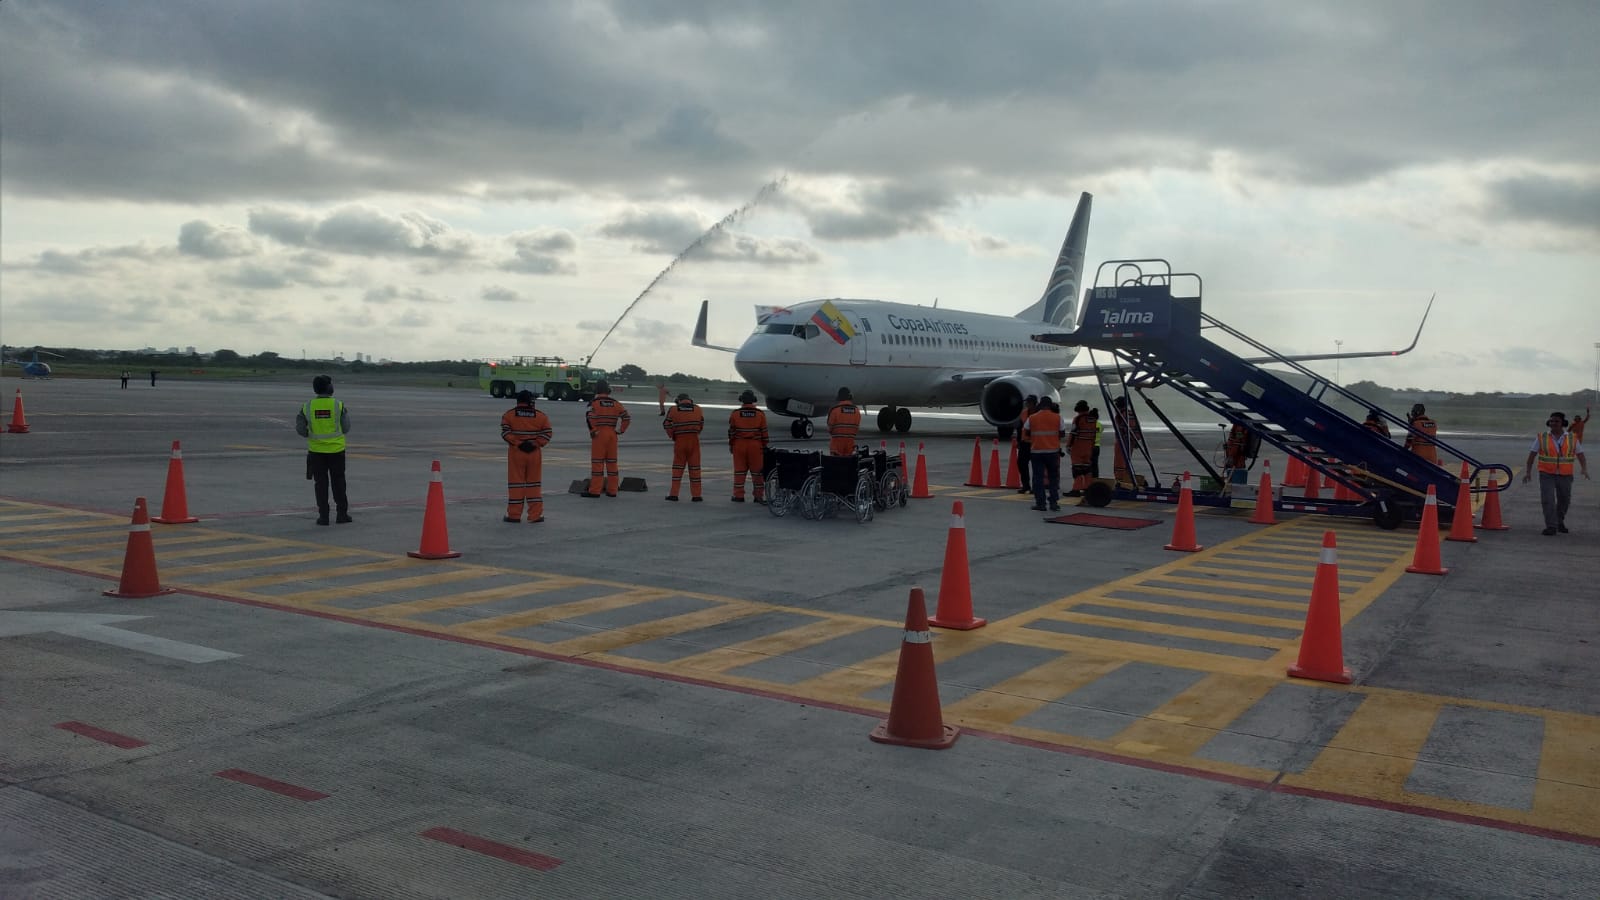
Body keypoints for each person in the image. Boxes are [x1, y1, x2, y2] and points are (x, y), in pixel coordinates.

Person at [295, 374, 351, 526]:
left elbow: (300, 429)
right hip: (336, 450)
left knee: (320, 484)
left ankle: (324, 516)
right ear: (329, 387)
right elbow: (346, 428)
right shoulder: (338, 405)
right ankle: (342, 514)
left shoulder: (307, 406)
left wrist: (310, 434)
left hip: (316, 451)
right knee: (338, 482)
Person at [1523, 412, 1588, 536]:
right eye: (1551, 421)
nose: (1553, 423)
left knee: (1564, 500)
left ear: (1563, 423)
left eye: (1556, 421)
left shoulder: (1572, 438)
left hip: (1565, 474)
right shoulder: (1542, 437)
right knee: (1548, 500)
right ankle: (1551, 526)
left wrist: (1584, 469)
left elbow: (1581, 456)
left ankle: (1559, 521)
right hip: (1546, 474)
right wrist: (1528, 472)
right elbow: (1532, 455)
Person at [499, 390, 552, 523]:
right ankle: (535, 515)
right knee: (534, 484)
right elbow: (547, 433)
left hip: (516, 453)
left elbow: (505, 433)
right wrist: (535, 443)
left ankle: (514, 515)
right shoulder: (541, 416)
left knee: (516, 484)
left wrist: (519, 443)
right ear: (530, 401)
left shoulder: (509, 415)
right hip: (534, 453)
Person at [582, 380, 630, 497]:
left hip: (600, 434)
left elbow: (589, 417)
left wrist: (593, 431)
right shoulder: (615, 403)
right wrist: (620, 430)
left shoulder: (594, 403)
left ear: (597, 389)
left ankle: (595, 491)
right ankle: (612, 490)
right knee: (612, 463)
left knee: (598, 463)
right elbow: (626, 417)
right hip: (612, 435)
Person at [662, 392, 705, 502]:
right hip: (694, 440)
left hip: (680, 440)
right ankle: (696, 495)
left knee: (677, 469)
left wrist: (673, 435)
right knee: (695, 469)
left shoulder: (674, 409)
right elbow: (701, 424)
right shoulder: (698, 409)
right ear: (690, 400)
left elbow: (666, 424)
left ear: (679, 401)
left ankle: (674, 494)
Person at [728, 389, 769, 503]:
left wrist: (731, 445)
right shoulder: (760, 414)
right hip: (756, 446)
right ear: (753, 401)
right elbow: (764, 433)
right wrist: (764, 445)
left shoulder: (735, 414)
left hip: (739, 445)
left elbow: (732, 432)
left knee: (739, 472)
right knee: (757, 472)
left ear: (742, 401)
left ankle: (738, 495)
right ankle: (758, 496)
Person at [1024, 397, 1065, 512]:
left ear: (1040, 405)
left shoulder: (1032, 418)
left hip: (1037, 452)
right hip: (1052, 452)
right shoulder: (1057, 417)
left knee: (1038, 479)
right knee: (1053, 479)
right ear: (1050, 405)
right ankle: (1053, 503)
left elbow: (1026, 430)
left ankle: (1040, 504)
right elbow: (1062, 433)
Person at [1111, 395, 1144, 486]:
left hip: (1123, 441)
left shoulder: (1122, 414)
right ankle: (1124, 480)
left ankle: (1120, 481)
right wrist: (1135, 440)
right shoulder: (1129, 413)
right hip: (1129, 441)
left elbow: (1126, 428)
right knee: (1126, 462)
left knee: (1120, 462)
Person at [1066, 400, 1094, 497]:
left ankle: (1076, 489)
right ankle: (1087, 488)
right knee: (1087, 469)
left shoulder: (1078, 419)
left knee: (1077, 469)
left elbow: (1073, 433)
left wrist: (1068, 445)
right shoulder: (1092, 419)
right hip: (1088, 447)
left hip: (1078, 447)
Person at [826, 387, 861, 456]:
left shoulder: (834, 410)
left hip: (837, 444)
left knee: (836, 464)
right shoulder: (856, 411)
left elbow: (829, 428)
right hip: (850, 443)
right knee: (848, 464)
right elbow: (857, 428)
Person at [1014, 396, 1037, 494]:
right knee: (1021, 464)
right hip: (1025, 443)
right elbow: (1019, 429)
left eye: (1028, 402)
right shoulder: (1024, 413)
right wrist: (1019, 441)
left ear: (1033, 403)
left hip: (1036, 444)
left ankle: (1036, 487)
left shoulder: (1038, 414)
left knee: (1037, 467)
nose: (1027, 404)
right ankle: (1026, 486)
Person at [1090, 408, 1103, 479]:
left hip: (1089, 446)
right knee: (1095, 464)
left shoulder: (1089, 424)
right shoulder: (1100, 425)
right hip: (1097, 446)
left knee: (1088, 464)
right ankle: (1096, 478)